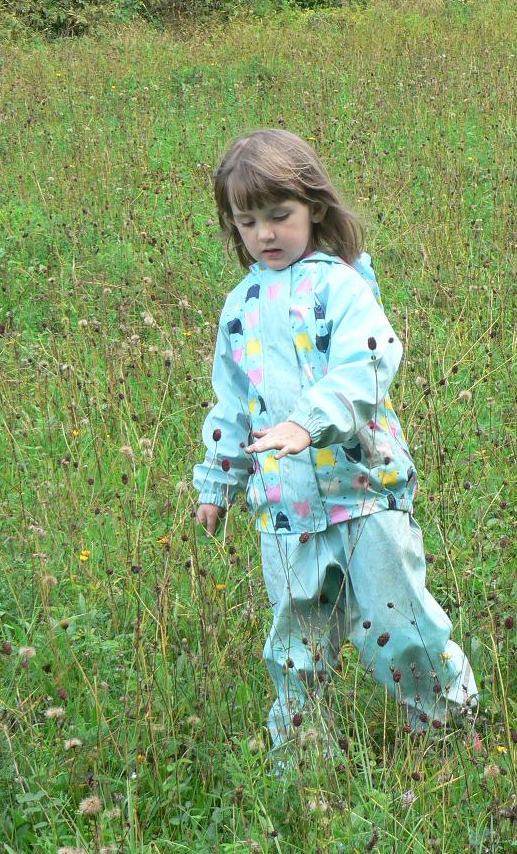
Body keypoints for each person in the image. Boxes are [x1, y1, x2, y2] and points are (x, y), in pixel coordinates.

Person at [191, 128, 479, 773]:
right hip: (285, 508)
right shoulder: (239, 308)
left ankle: (449, 729)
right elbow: (232, 403)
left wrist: (310, 421)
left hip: (362, 494)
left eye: (279, 215)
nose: (265, 234)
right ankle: (302, 758)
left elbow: (370, 362)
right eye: (247, 222)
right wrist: (219, 482)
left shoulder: (341, 286)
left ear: (314, 207)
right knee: (296, 644)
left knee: (400, 625)